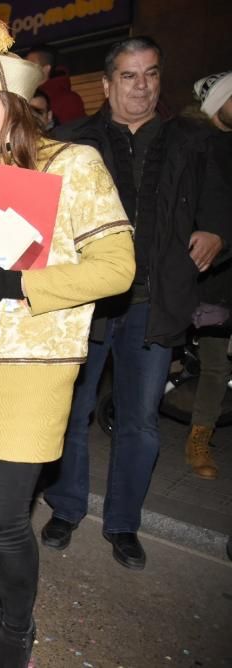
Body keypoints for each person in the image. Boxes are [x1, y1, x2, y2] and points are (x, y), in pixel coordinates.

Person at [0, 17, 134, 666]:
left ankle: (18, 627)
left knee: (6, 514)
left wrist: (16, 281)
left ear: (10, 101)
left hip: (32, 370)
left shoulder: (73, 165)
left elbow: (116, 267)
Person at [41, 37, 231, 569]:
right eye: (128, 75)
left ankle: (124, 523)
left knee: (140, 421)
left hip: (154, 300)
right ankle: (66, 507)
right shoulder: (73, 142)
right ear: (106, 85)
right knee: (72, 413)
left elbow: (221, 200)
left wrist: (217, 230)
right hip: (86, 303)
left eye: (149, 74)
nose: (141, 85)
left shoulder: (191, 138)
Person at [183, 70, 232, 479]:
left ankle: (201, 433)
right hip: (199, 274)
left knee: (217, 364)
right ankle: (196, 437)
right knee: (209, 361)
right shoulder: (196, 146)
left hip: (223, 275)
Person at [26, 45, 85, 125]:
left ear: (46, 69)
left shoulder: (68, 100)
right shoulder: (25, 96)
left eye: (31, 66)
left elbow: (75, 133)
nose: (26, 70)